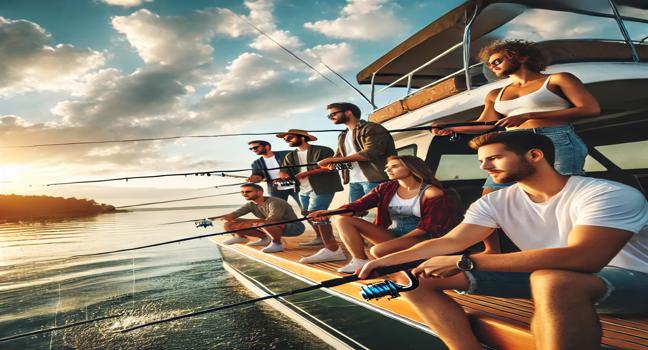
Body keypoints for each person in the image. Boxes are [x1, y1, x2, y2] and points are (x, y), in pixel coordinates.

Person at [359, 131, 648, 350]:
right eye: (481, 160)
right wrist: (384, 261)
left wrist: (466, 261)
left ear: (534, 156)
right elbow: (451, 241)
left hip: (633, 283)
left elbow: (585, 258)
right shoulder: (496, 201)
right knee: (412, 279)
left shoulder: (605, 194)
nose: (485, 167)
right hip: (546, 280)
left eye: (494, 158)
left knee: (553, 280)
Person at [433, 39, 600, 193]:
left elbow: (590, 109)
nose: (492, 66)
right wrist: (451, 126)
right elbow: (486, 124)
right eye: (490, 65)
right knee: (491, 195)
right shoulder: (494, 93)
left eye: (497, 61)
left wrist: (528, 115)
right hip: (510, 142)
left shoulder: (558, 79)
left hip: (555, 138)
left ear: (522, 58)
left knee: (560, 193)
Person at [310, 156, 457, 273]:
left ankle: (412, 262)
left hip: (421, 237)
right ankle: (360, 260)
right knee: (342, 219)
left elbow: (428, 227)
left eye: (395, 166)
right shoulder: (386, 188)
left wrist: (394, 244)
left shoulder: (431, 192)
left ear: (411, 168)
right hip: (394, 234)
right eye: (387, 167)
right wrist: (331, 213)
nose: (388, 170)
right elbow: (359, 205)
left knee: (378, 250)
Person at [276, 129, 347, 263]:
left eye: (289, 138)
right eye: (285, 139)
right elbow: (283, 171)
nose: (286, 140)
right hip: (302, 189)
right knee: (307, 213)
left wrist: (305, 174)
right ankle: (320, 238)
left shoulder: (323, 150)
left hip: (323, 187)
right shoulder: (289, 156)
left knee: (317, 213)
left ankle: (333, 249)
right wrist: (282, 177)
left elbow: (330, 167)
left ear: (302, 137)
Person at [318, 102, 397, 202]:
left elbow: (371, 152)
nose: (330, 117)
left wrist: (334, 159)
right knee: (352, 214)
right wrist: (331, 163)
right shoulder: (342, 136)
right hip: (354, 181)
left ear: (348, 113)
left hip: (376, 179)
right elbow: (338, 157)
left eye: (333, 114)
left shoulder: (371, 128)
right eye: (328, 116)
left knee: (381, 214)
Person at [221, 183, 305, 253]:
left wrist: (245, 221)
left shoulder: (275, 202)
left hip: (294, 227)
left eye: (248, 191)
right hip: (269, 226)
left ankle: (277, 244)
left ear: (259, 192)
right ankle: (244, 238)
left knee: (263, 223)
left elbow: (272, 220)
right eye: (242, 192)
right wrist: (229, 217)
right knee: (229, 224)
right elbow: (234, 215)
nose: (244, 194)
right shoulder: (250, 204)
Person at [247, 140, 301, 208]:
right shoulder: (256, 163)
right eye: (250, 149)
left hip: (295, 185)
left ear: (267, 147)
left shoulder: (286, 154)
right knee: (279, 210)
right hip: (275, 189)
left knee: (306, 208)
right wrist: (255, 178)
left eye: (255, 147)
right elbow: (258, 176)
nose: (253, 150)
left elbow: (302, 161)